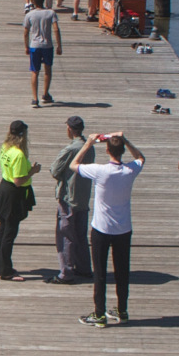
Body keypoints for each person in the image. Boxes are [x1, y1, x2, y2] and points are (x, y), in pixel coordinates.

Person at [73, 132, 146, 326]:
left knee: (100, 273)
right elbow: (140, 157)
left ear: (107, 150)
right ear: (122, 151)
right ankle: (122, 310)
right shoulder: (130, 170)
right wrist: (125, 139)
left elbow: (74, 165)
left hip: (101, 229)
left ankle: (99, 314)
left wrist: (88, 143)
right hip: (123, 229)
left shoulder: (100, 171)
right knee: (122, 272)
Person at [47, 116, 93, 284]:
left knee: (65, 234)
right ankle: (84, 268)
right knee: (81, 234)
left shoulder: (71, 149)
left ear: (70, 129)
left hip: (69, 197)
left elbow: (54, 170)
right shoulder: (89, 147)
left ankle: (66, 273)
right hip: (83, 196)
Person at [0, 120, 36, 281]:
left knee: (3, 228)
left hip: (3, 189)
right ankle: (6, 271)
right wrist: (33, 171)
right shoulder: (18, 154)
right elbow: (18, 180)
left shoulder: (6, 146)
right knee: (9, 233)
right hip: (13, 194)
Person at [22, 0, 61, 107]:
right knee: (47, 70)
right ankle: (45, 94)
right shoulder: (51, 13)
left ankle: (35, 99)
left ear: (33, 2)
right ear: (43, 1)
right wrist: (59, 45)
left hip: (34, 46)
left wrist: (26, 46)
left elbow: (26, 32)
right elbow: (56, 29)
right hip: (47, 45)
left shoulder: (29, 15)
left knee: (35, 71)